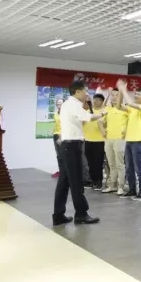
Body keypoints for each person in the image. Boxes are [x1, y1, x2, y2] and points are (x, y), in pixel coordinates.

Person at [53, 80, 104, 226]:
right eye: (85, 91)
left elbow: (81, 120)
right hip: (72, 146)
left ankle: (58, 215)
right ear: (77, 92)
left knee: (64, 181)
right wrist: (102, 113)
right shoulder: (73, 104)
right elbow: (89, 117)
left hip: (67, 145)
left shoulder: (68, 105)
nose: (87, 94)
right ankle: (81, 214)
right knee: (76, 181)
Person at [116, 80, 141, 199]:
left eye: (138, 94)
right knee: (129, 168)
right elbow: (118, 106)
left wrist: (124, 90)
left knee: (138, 168)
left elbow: (130, 103)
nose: (135, 95)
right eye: (135, 94)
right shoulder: (131, 108)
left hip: (137, 141)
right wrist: (121, 93)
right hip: (129, 141)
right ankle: (132, 190)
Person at [102, 88, 128, 194]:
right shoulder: (107, 108)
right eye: (112, 95)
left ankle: (121, 186)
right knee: (111, 164)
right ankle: (113, 185)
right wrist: (103, 130)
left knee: (120, 164)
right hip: (108, 139)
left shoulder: (125, 108)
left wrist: (125, 132)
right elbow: (102, 121)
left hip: (120, 139)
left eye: (117, 95)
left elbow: (130, 122)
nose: (114, 97)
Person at [83, 93, 106, 190]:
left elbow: (105, 125)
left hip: (99, 141)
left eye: (98, 100)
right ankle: (92, 181)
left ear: (102, 102)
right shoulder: (87, 111)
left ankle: (99, 181)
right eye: (95, 99)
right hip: (87, 140)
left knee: (98, 163)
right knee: (90, 162)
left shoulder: (104, 112)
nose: (96, 101)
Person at [51, 98, 64, 179]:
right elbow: (56, 124)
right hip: (55, 135)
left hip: (62, 136)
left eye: (60, 103)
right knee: (59, 155)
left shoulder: (65, 114)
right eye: (58, 103)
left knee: (63, 155)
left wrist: (61, 137)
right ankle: (61, 172)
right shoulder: (55, 114)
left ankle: (65, 173)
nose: (59, 104)